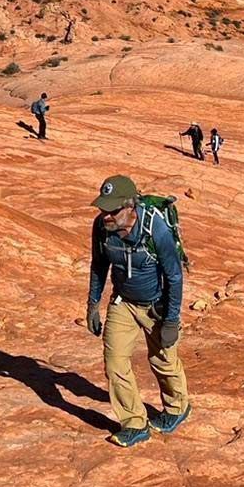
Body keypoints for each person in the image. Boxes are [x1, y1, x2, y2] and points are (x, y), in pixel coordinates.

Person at [86, 174, 190, 446]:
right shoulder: (101, 228)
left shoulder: (155, 229)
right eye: (103, 208)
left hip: (156, 304)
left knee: (162, 360)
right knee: (115, 362)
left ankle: (177, 408)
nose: (106, 215)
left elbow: (175, 276)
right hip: (123, 303)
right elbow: (98, 266)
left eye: (113, 209)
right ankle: (134, 422)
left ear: (130, 206)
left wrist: (171, 320)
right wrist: (93, 305)